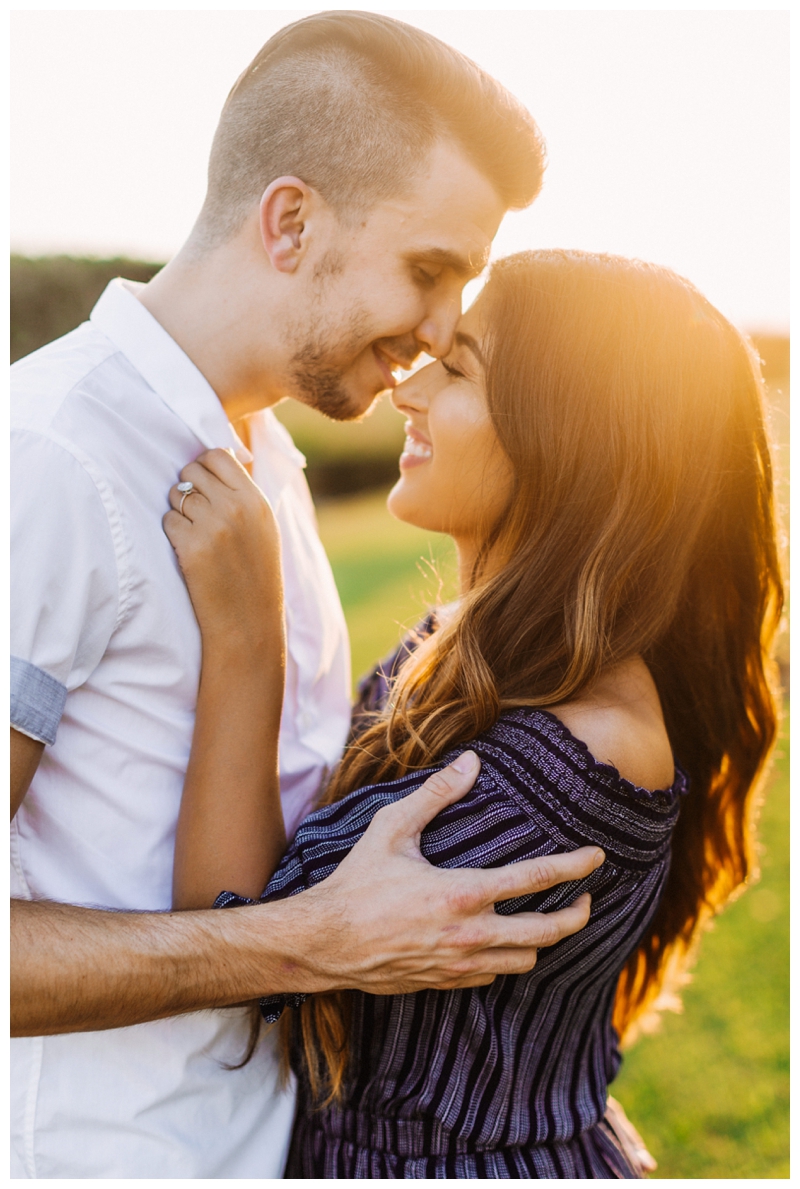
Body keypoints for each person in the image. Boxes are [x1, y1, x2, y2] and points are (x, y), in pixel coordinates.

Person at [10, 13, 601, 1180]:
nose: (438, 332)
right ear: (289, 220)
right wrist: (311, 943)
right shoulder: (49, 460)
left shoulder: (262, 455)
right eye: (428, 270)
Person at [167, 250, 783, 1177]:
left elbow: (241, 934)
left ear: (570, 437)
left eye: (457, 370)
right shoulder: (463, 647)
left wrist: (248, 639)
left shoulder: (583, 753)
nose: (408, 394)